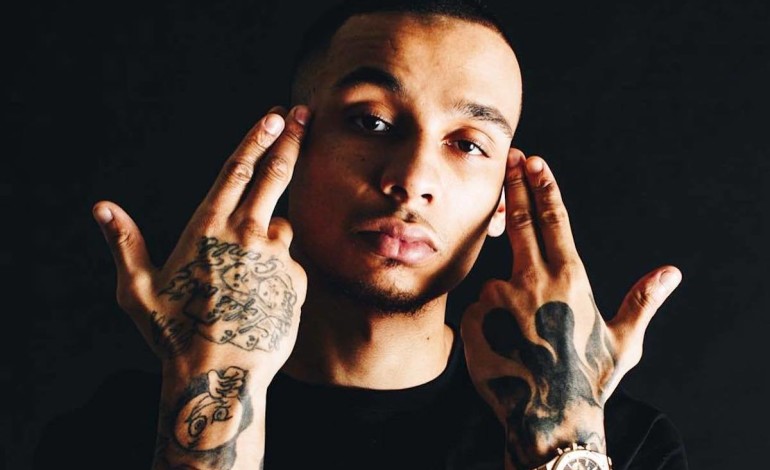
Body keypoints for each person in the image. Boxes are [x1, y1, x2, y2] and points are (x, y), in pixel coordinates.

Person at [34, 0, 687, 469]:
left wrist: (562, 440)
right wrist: (211, 385)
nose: (412, 179)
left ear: (502, 202)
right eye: (371, 123)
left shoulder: (615, 444)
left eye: (467, 143)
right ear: (288, 153)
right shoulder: (111, 437)